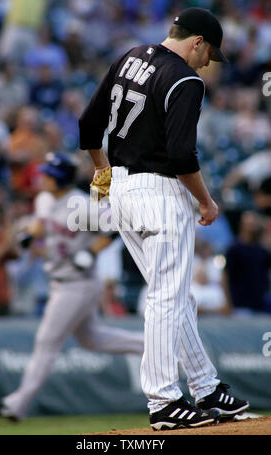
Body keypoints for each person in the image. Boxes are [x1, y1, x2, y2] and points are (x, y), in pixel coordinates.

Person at [79, 7, 249, 430]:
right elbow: (180, 156)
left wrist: (103, 174)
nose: (208, 62)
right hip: (159, 193)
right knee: (166, 298)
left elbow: (87, 125)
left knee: (174, 296)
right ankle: (163, 400)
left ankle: (206, 386)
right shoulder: (186, 79)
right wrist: (207, 203)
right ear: (197, 42)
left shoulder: (130, 56)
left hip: (120, 191)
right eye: (209, 53)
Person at [0, 152, 144, 421]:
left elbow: (118, 225)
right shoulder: (46, 198)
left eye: (48, 174)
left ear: (60, 179)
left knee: (46, 340)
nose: (42, 178)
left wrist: (92, 252)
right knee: (91, 339)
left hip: (77, 283)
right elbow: (41, 222)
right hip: (61, 280)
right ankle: (149, 347)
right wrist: (29, 235)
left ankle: (17, 404)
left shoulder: (81, 205)